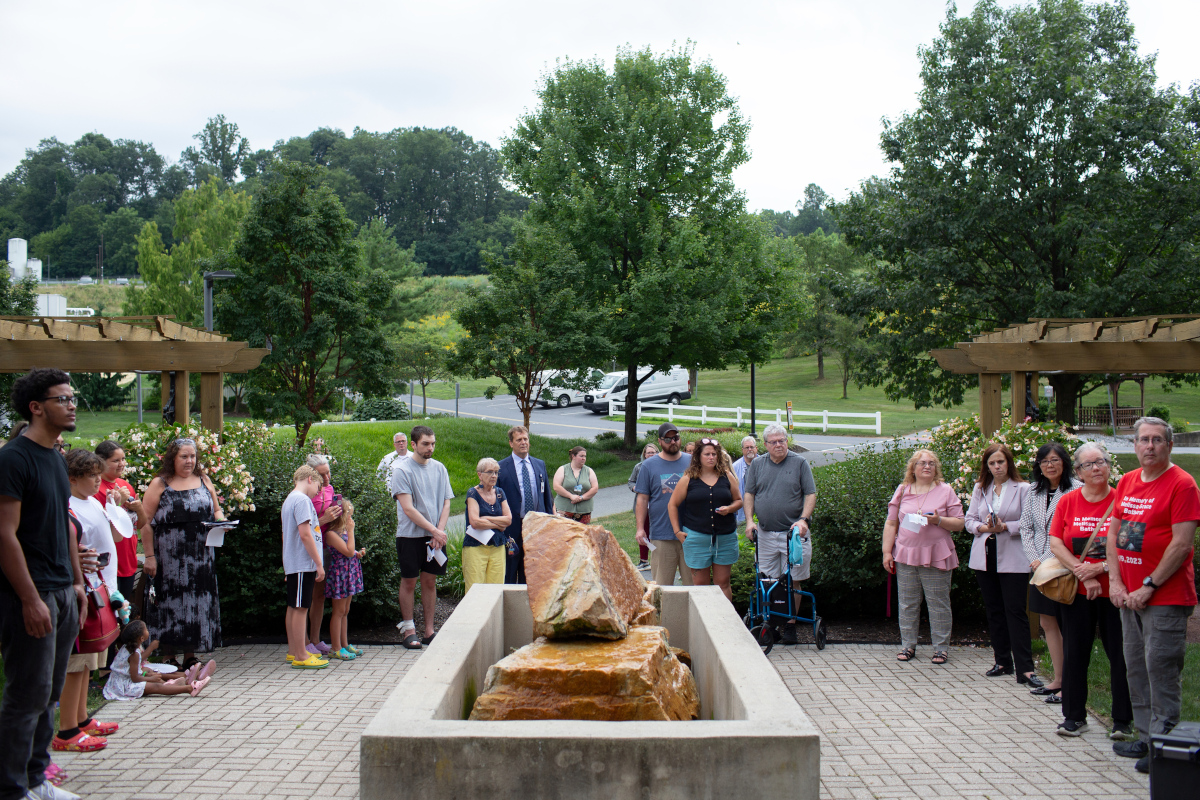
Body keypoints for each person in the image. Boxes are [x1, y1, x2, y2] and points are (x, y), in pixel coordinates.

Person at [0, 368, 87, 800]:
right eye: (62, 399)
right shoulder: (13, 459)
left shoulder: (55, 456)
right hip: (30, 596)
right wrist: (30, 599)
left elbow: (64, 527)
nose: (71, 404)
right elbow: (4, 534)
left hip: (62, 593)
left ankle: (36, 780)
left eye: (73, 398)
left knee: (48, 693)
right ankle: (12, 788)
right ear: (36, 407)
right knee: (25, 695)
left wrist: (77, 583)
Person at [1107, 417, 1200, 772]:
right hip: (1128, 596)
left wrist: (1149, 586)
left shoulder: (1183, 485)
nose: (1150, 446)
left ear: (1169, 445)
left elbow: (1181, 545)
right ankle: (1146, 737)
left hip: (1165, 597)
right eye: (1143, 440)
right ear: (1134, 446)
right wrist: (1116, 582)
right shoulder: (1129, 480)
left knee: (1160, 668)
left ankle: (1166, 745)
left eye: (1157, 440)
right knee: (1135, 668)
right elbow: (1113, 536)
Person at [1048, 442, 1132, 738]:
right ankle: (1073, 716)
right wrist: (1082, 572)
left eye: (1101, 462)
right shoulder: (1068, 501)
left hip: (1117, 592)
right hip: (1077, 593)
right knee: (1075, 654)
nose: (1096, 468)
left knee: (1121, 655)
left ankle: (1122, 721)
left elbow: (1130, 543)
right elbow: (1056, 542)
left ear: (1110, 466)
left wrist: (1100, 569)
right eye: (1088, 465)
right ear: (1079, 472)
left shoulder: (1124, 500)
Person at [141, 437, 225, 669]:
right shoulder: (160, 484)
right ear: (173, 458)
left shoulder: (204, 480)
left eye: (192, 456)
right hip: (169, 559)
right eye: (184, 456)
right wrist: (149, 556)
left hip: (201, 557)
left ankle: (190, 655)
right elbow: (145, 522)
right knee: (169, 603)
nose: (189, 461)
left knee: (196, 603)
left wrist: (223, 522)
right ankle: (168, 654)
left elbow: (216, 510)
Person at [965, 444, 1039, 686]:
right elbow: (969, 521)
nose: (997, 467)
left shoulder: (1024, 488)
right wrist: (985, 527)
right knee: (994, 610)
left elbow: (1031, 522)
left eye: (1001, 462)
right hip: (985, 556)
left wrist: (1006, 526)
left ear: (1009, 463)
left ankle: (1026, 669)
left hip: (1013, 557)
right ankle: (1002, 661)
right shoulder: (981, 488)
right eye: (992, 463)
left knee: (1015, 611)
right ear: (986, 466)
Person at [53, 456, 114, 755]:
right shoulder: (62, 507)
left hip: (88, 585)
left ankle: (80, 718)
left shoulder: (80, 505)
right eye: (90, 475)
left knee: (87, 660)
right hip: (73, 590)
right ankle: (67, 729)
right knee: (75, 660)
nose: (97, 480)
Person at [882, 449, 963, 665]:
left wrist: (939, 521)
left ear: (936, 468)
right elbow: (891, 523)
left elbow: (960, 523)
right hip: (905, 554)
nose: (927, 466)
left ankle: (941, 649)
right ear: (913, 468)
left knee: (938, 603)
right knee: (907, 603)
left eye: (931, 463)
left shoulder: (945, 490)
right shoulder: (903, 490)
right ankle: (908, 646)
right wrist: (887, 552)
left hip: (936, 554)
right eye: (921, 463)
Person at [744, 423, 818, 645]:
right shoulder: (757, 464)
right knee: (767, 580)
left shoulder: (799, 463)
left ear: (787, 441)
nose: (778, 445)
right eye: (773, 442)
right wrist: (749, 521)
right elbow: (749, 494)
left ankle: (791, 625)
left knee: (794, 580)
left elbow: (810, 494)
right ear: (765, 445)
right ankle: (771, 624)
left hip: (793, 534)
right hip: (766, 533)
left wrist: (803, 520)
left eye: (782, 441)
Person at [1019, 442, 1078, 705]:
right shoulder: (1033, 490)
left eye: (1054, 460)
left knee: (1069, 626)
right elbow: (1026, 528)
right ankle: (1057, 679)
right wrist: (1034, 559)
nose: (1049, 465)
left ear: (1063, 462)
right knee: (1047, 623)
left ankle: (1072, 684)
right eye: (1044, 461)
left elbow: (1072, 532)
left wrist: (1047, 560)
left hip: (1064, 566)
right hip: (1039, 569)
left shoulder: (1077, 489)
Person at [391, 425, 454, 649]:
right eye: (426, 444)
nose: (430, 448)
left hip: (435, 536)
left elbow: (447, 501)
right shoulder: (402, 470)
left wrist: (439, 530)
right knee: (409, 581)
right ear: (413, 444)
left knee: (430, 581)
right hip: (410, 536)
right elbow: (408, 508)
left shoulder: (440, 468)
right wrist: (434, 530)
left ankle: (429, 631)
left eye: (433, 443)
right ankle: (409, 629)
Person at [667, 438, 742, 601]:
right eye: (707, 454)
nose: (711, 457)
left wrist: (729, 509)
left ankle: (724, 620)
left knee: (722, 583)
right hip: (697, 538)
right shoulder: (688, 478)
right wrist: (677, 531)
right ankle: (704, 622)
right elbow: (672, 504)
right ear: (698, 456)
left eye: (714, 454)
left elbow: (739, 500)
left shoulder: (726, 476)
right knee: (701, 585)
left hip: (725, 537)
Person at [635, 423, 694, 588]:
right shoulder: (649, 465)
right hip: (661, 535)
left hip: (691, 533)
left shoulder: (692, 462)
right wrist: (640, 528)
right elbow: (642, 499)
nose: (673, 441)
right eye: (668, 439)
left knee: (694, 587)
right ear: (660, 441)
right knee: (661, 588)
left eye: (676, 438)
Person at [94, 440, 149, 609]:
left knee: (123, 612)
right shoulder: (96, 488)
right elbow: (98, 526)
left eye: (123, 459)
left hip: (127, 559)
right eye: (116, 460)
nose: (122, 464)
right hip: (108, 563)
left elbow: (139, 524)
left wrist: (139, 508)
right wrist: (118, 503)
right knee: (109, 612)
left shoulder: (125, 485)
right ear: (101, 461)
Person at [495, 426, 553, 584]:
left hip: (536, 525)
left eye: (525, 439)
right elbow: (496, 499)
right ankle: (510, 604)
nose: (523, 442)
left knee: (533, 567)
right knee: (511, 568)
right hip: (512, 526)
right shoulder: (501, 468)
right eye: (518, 440)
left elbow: (547, 496)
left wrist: (550, 521)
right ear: (510, 443)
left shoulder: (539, 464)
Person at [283, 465, 328, 668]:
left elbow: (286, 536)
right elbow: (305, 533)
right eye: (318, 485)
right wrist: (318, 563)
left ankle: (294, 651)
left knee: (294, 606)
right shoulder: (301, 500)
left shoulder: (289, 499)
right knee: (301, 607)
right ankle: (301, 654)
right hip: (303, 562)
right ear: (310, 479)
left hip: (294, 563)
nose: (318, 491)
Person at [103, 621, 211, 699]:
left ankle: (175, 683)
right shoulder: (134, 654)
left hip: (122, 680)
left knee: (150, 671)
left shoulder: (128, 647)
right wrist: (151, 679)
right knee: (156, 686)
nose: (147, 630)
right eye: (145, 629)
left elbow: (133, 672)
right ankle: (190, 688)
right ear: (141, 638)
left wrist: (148, 674)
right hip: (123, 686)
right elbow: (135, 678)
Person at [305, 454, 343, 658]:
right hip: (307, 547)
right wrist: (324, 518)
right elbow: (302, 527)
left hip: (326, 547)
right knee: (303, 598)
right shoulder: (305, 493)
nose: (327, 477)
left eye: (328, 471)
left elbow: (332, 520)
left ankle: (315, 639)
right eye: (322, 474)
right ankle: (302, 643)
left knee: (319, 596)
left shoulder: (329, 489)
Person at [322, 497, 364, 662]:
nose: (351, 520)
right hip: (340, 575)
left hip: (349, 573)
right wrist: (351, 533)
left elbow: (350, 551)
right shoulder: (331, 534)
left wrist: (357, 553)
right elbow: (347, 551)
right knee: (338, 612)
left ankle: (344, 644)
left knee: (345, 611)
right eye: (349, 516)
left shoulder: (344, 532)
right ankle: (335, 648)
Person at [464, 458, 512, 592]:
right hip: (476, 546)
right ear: (480, 474)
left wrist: (486, 518)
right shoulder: (472, 493)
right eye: (490, 472)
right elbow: (475, 522)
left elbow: (508, 520)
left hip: (497, 546)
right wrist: (498, 524)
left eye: (496, 472)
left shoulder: (500, 493)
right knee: (476, 590)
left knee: (496, 590)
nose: (494, 476)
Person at [627, 443, 658, 569]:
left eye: (653, 452)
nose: (651, 455)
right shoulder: (639, 467)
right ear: (644, 454)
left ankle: (658, 559)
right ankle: (644, 561)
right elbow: (631, 481)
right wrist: (635, 488)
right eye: (648, 452)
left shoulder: (661, 466)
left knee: (657, 533)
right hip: (643, 505)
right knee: (643, 531)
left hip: (657, 505)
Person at [553, 446, 599, 523]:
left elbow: (595, 488)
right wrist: (571, 496)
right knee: (564, 533)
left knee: (582, 534)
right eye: (581, 456)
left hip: (584, 510)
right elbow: (556, 486)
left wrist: (581, 498)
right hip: (564, 509)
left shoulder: (589, 471)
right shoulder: (563, 469)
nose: (583, 458)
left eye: (585, 456)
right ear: (573, 456)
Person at [731, 436, 757, 525]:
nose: (750, 449)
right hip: (742, 511)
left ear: (756, 448)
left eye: (752, 447)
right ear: (742, 450)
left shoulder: (764, 463)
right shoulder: (735, 467)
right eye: (747, 447)